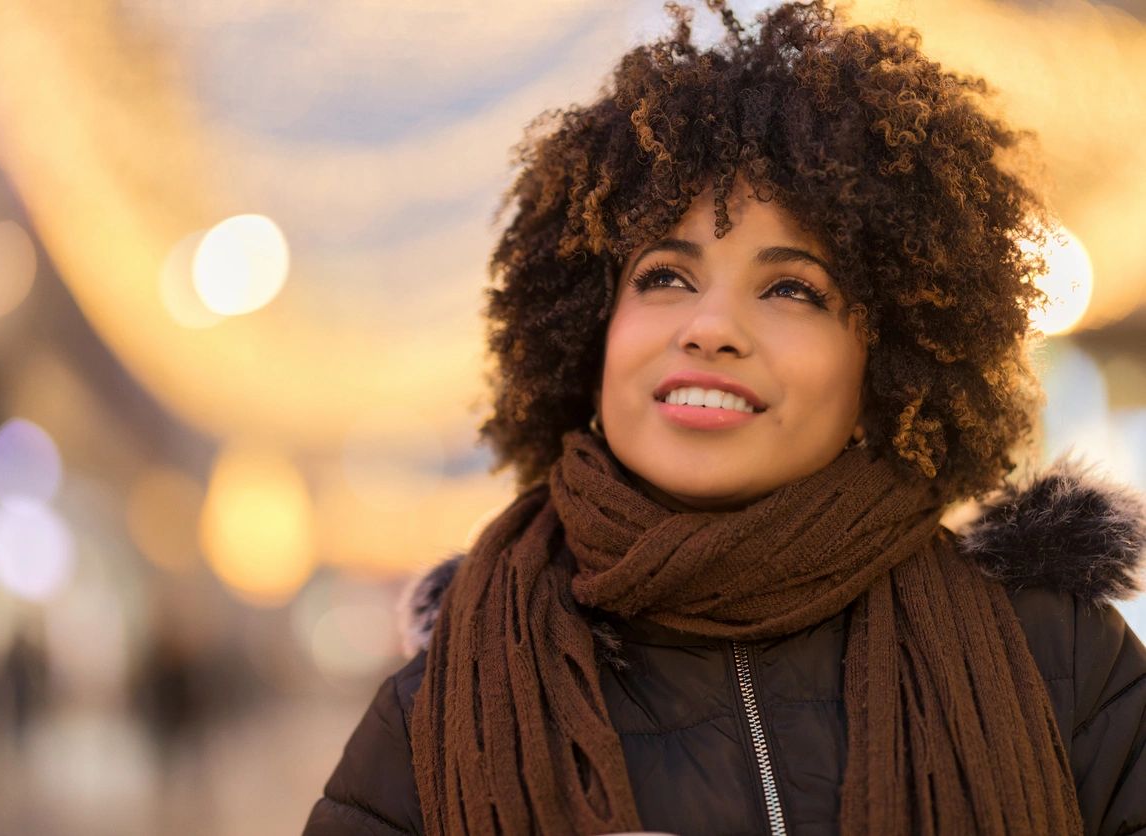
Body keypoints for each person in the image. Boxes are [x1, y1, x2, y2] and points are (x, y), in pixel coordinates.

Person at [304, 1, 1146, 833]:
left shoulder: (1063, 661)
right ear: (588, 333)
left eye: (791, 289)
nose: (709, 327)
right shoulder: (445, 709)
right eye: (665, 276)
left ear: (889, 364)